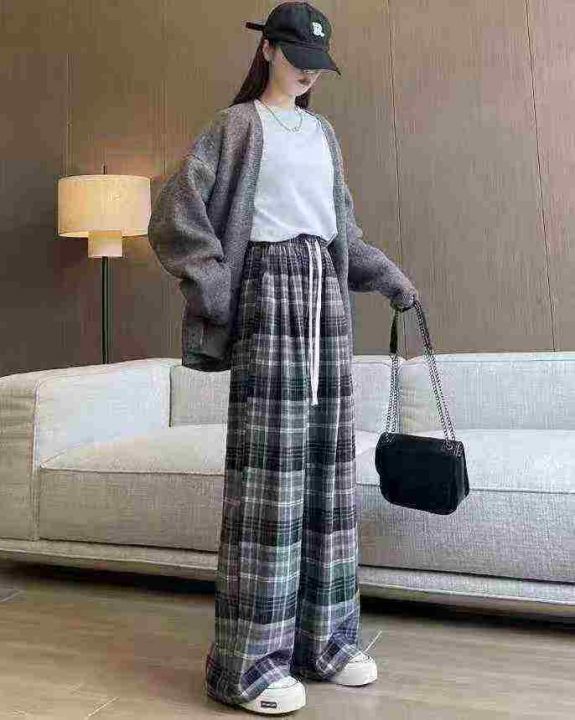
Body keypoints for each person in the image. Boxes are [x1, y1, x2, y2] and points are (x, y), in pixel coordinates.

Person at [147, 2, 419, 715]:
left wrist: (389, 277)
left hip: (326, 300)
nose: (307, 71)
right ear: (267, 48)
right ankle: (248, 665)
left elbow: (340, 231)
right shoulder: (236, 126)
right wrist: (219, 291)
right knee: (269, 483)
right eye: (296, 55)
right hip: (267, 295)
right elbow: (173, 213)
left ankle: (324, 642)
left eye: (317, 62)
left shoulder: (323, 135)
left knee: (327, 473)